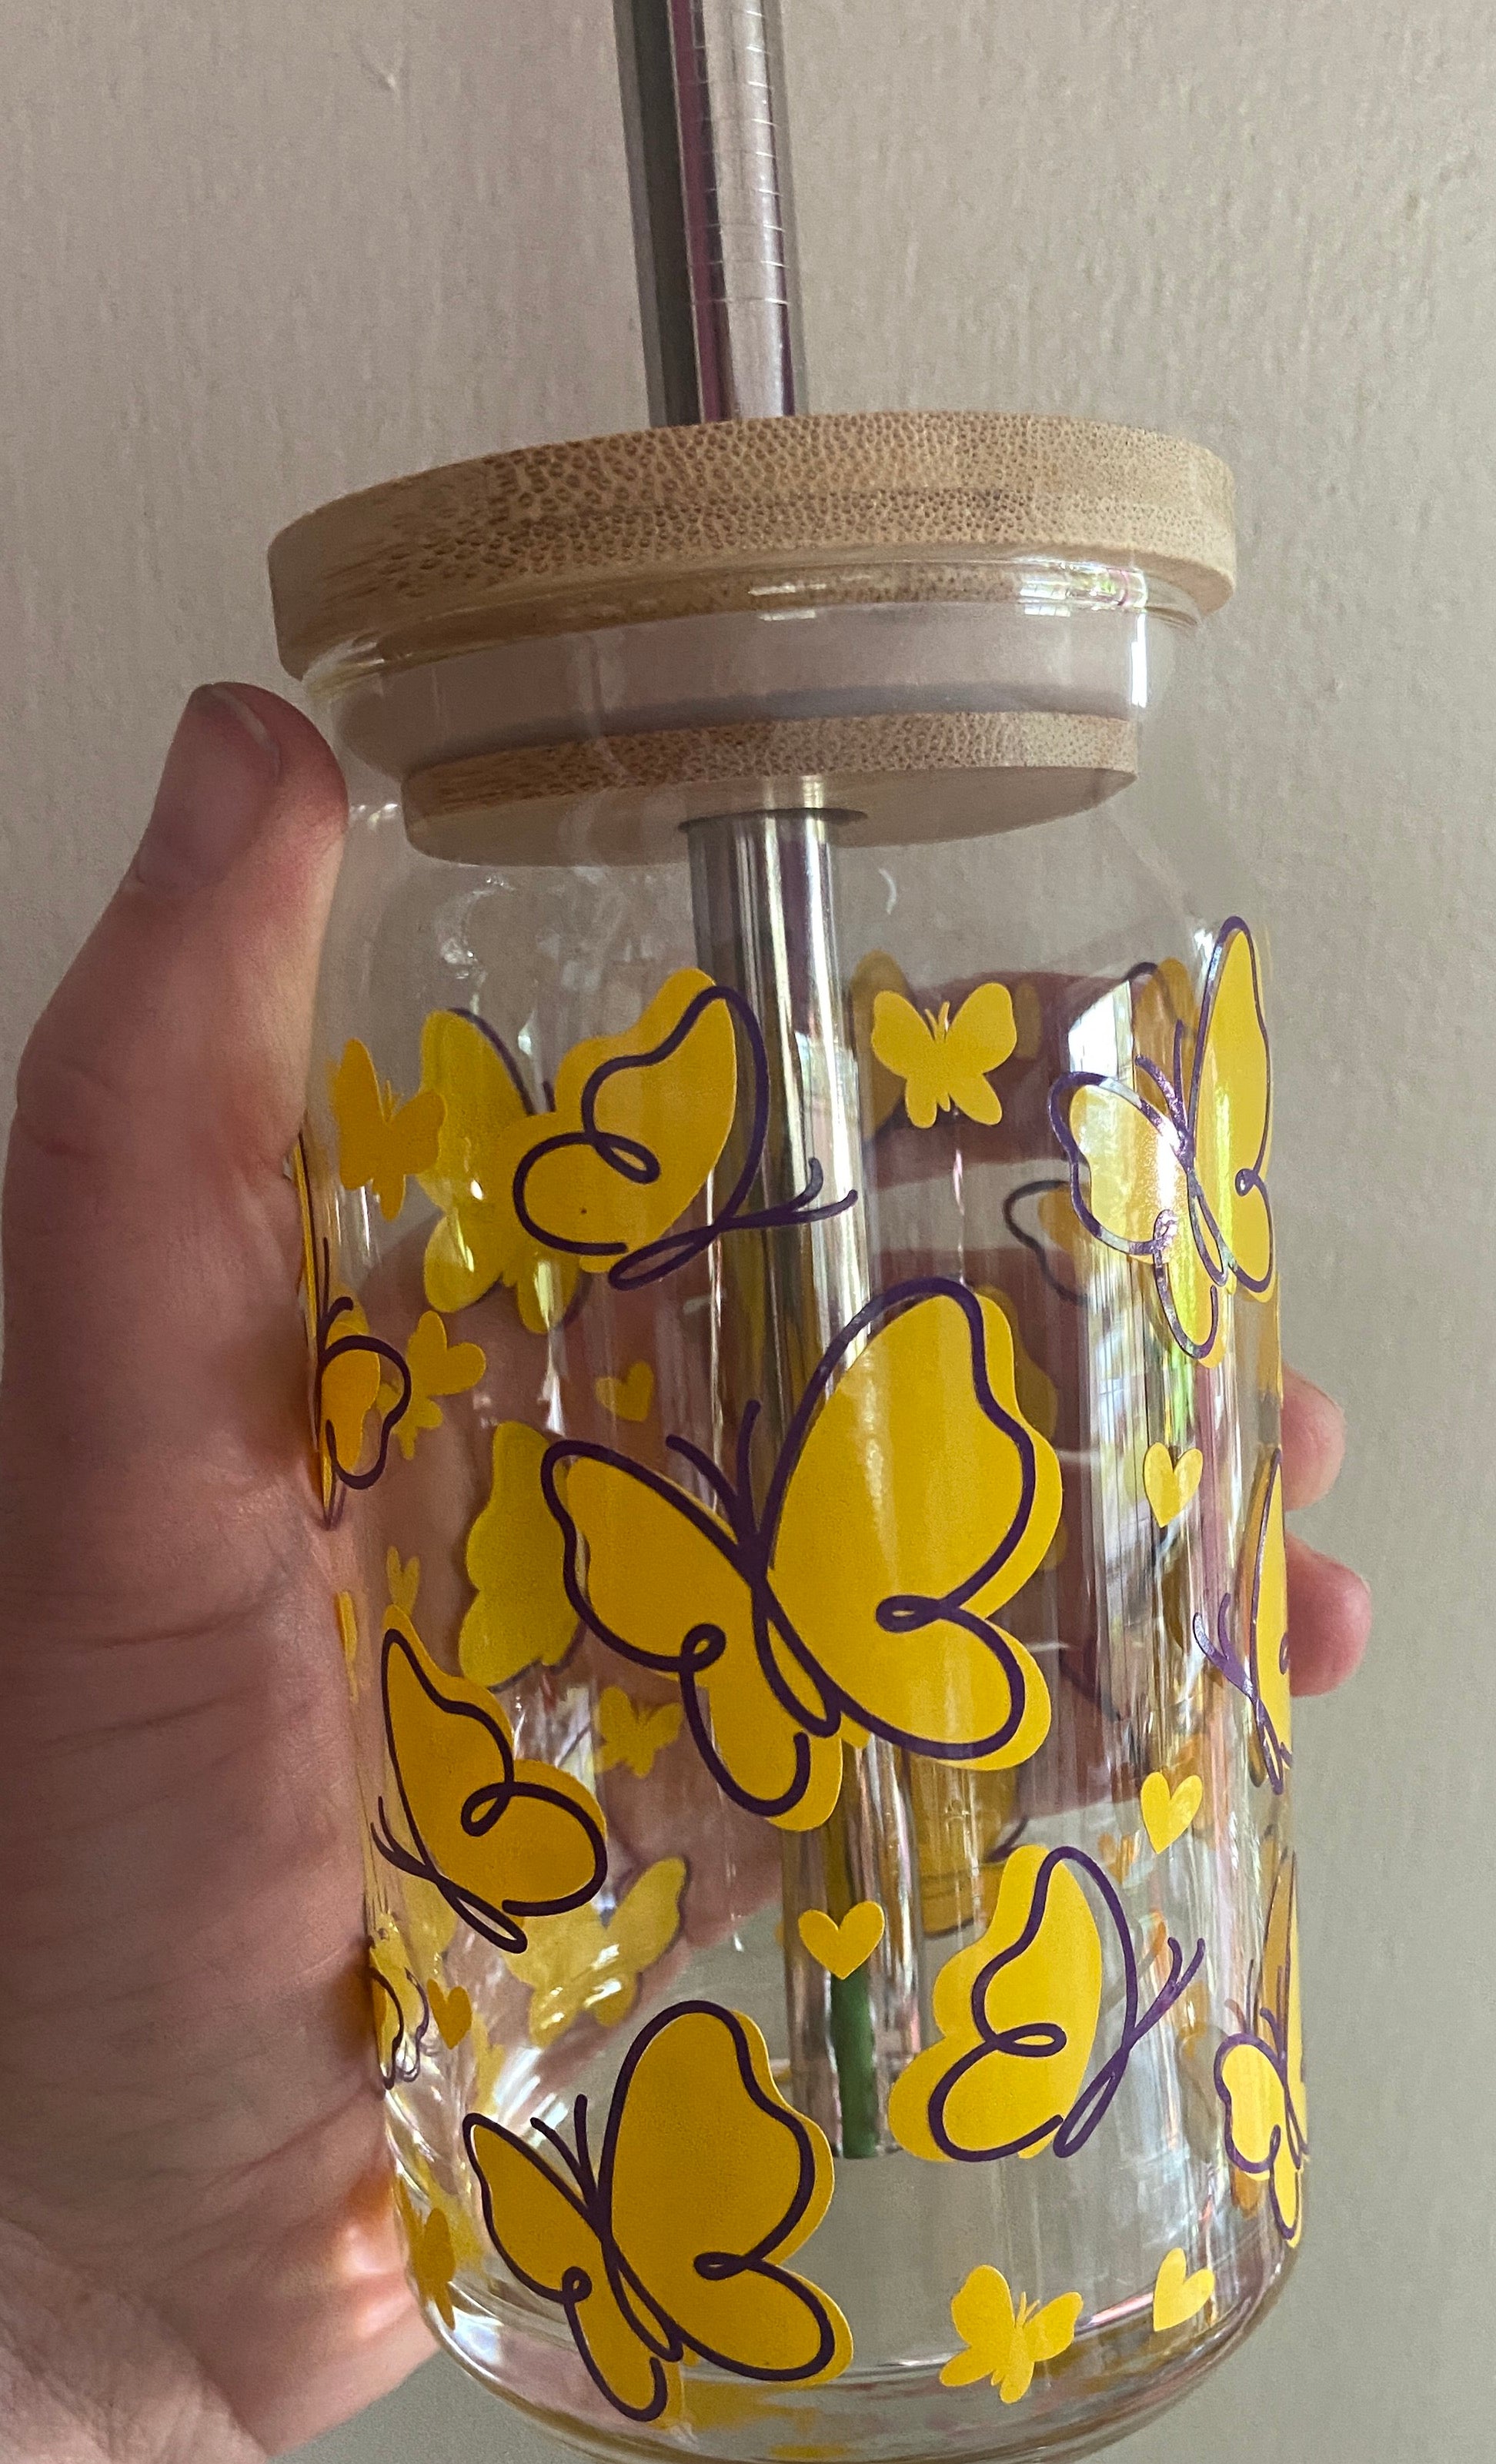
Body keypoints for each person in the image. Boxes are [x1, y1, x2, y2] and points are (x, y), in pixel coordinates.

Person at [0, 686, 1372, 2462]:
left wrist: (90, 2303)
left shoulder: (1123, 865)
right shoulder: (448, 908)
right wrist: (84, 2283)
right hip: (473, 2197)